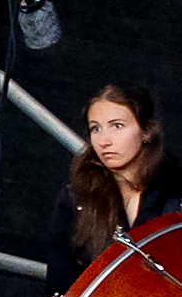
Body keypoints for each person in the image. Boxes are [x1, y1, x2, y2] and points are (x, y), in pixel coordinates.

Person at [66, 84, 165, 282]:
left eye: (117, 126)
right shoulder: (77, 197)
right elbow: (60, 286)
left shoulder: (173, 194)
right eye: (96, 128)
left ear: (146, 131)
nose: (104, 140)